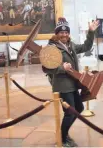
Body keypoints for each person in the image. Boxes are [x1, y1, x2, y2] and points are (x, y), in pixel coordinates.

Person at [42, 17, 99, 147]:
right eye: (61, 32)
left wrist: (91, 32)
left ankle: (64, 133)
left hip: (73, 83)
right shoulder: (51, 47)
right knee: (70, 112)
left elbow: (86, 46)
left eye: (66, 32)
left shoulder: (70, 44)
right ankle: (62, 139)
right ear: (57, 34)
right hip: (62, 85)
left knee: (79, 108)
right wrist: (62, 68)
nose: (64, 35)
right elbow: (46, 68)